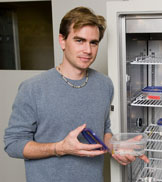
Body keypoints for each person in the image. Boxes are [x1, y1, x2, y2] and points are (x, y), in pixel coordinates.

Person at [4, 6, 149, 182]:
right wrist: (60, 148)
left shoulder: (104, 84)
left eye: (93, 42)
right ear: (62, 41)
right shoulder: (32, 88)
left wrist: (115, 148)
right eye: (79, 40)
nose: (88, 50)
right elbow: (13, 144)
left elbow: (103, 130)